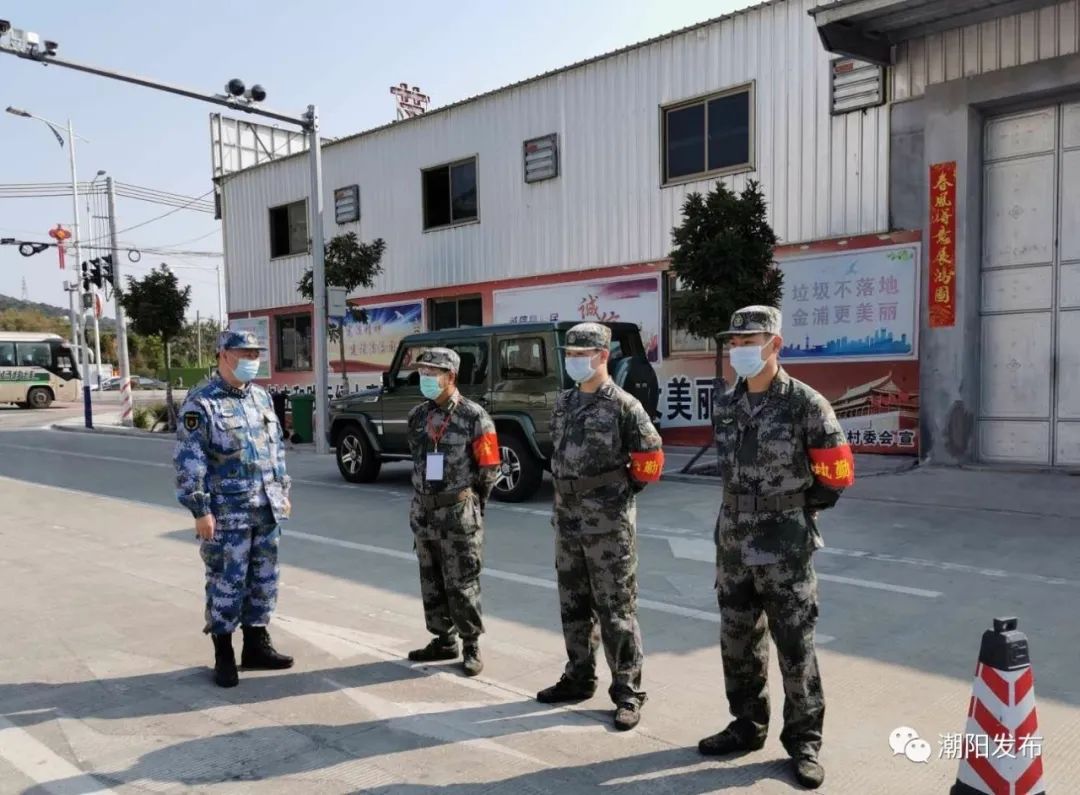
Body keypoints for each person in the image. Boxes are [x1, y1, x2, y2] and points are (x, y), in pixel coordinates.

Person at [699, 305, 855, 790]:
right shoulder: (725, 404)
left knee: (794, 644)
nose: (741, 350)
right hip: (733, 541)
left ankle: (804, 742)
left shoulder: (806, 404)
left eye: (751, 342)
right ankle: (747, 725)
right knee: (738, 640)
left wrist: (795, 510)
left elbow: (837, 474)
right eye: (735, 343)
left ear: (775, 345)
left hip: (785, 544)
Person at [536, 322, 665, 731]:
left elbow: (650, 460)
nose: (574, 360)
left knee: (616, 609)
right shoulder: (564, 404)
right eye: (570, 353)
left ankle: (627, 691)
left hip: (608, 525)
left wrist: (616, 496)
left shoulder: (624, 406)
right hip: (568, 519)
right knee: (573, 604)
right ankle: (579, 675)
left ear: (603, 355)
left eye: (582, 353)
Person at [174, 329, 294, 688]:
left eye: (256, 353)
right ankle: (223, 652)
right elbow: (189, 461)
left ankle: (256, 645)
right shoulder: (201, 404)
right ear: (223, 355)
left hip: (266, 506)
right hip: (226, 513)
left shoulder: (261, 398)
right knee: (227, 581)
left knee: (264, 580)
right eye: (244, 353)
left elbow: (275, 451)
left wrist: (283, 489)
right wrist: (200, 509)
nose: (252, 360)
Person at [406, 347, 501, 677]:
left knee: (462, 582)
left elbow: (489, 469)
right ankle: (443, 639)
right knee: (430, 580)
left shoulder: (475, 417)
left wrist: (473, 506)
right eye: (423, 373)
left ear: (451, 377)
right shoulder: (418, 417)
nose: (426, 379)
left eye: (433, 374)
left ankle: (471, 642)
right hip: (424, 513)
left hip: (458, 512)